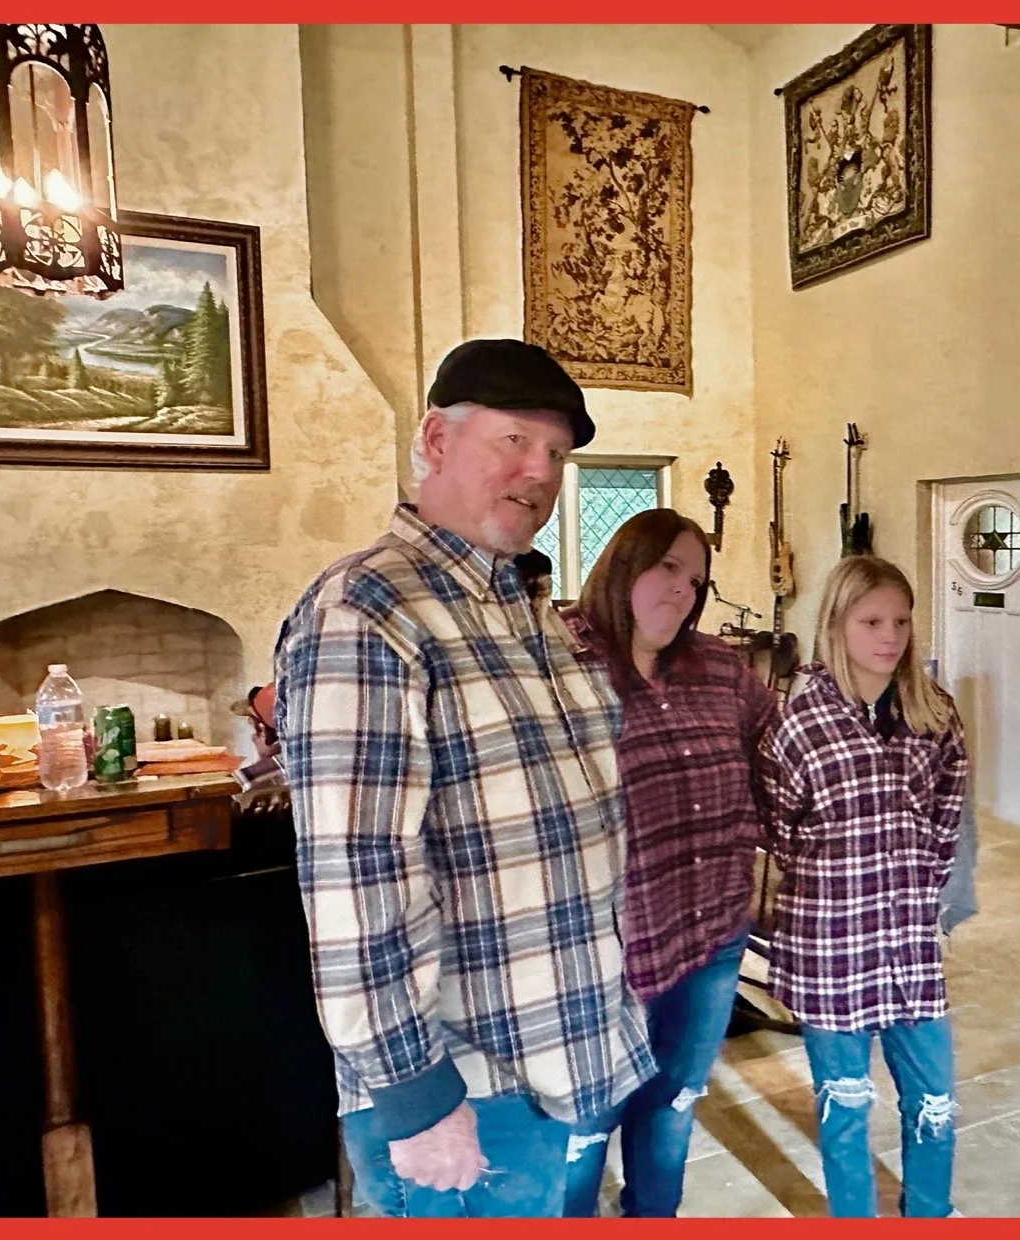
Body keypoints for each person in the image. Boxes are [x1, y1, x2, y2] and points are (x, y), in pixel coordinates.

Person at [273, 338, 655, 1219]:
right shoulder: (368, 610)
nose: (541, 471)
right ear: (437, 440)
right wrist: (417, 1098)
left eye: (556, 452)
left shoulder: (524, 606)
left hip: (553, 1058)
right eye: (514, 440)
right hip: (463, 1089)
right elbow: (357, 878)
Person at [560, 509, 777, 1217]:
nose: (683, 589)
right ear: (624, 564)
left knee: (673, 1105)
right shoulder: (557, 662)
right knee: (583, 1129)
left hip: (712, 935)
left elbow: (782, 755)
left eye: (697, 580)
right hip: (600, 952)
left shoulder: (719, 667)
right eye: (668, 567)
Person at [757, 555, 969, 1219]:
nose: (890, 636)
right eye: (871, 622)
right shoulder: (798, 726)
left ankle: (928, 1214)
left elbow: (946, 818)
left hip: (909, 945)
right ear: (836, 624)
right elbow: (781, 833)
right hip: (833, 944)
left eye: (901, 622)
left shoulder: (935, 714)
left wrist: (922, 892)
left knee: (934, 1102)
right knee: (845, 1106)